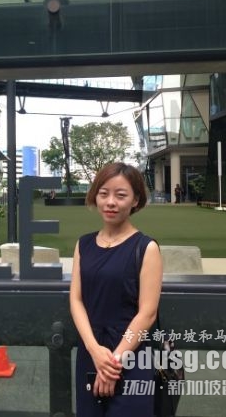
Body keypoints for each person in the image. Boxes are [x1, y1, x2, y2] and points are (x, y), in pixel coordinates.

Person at [69, 162, 163, 416]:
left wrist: (113, 362)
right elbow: (76, 300)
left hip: (131, 354)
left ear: (135, 200)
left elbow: (147, 314)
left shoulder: (146, 248)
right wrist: (94, 350)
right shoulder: (83, 245)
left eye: (121, 195)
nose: (110, 202)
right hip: (91, 352)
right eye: (104, 193)